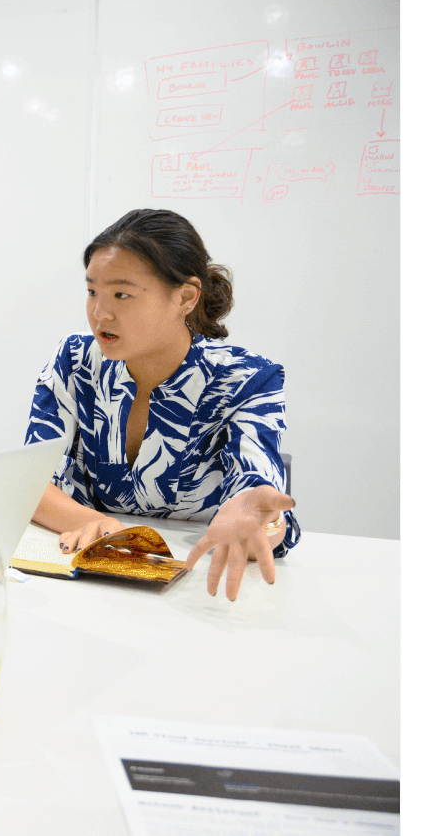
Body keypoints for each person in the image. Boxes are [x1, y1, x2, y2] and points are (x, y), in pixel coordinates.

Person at [25, 208, 298, 600]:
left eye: (122, 294)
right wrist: (99, 524)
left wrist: (258, 521)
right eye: (92, 292)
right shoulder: (75, 360)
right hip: (91, 585)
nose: (100, 313)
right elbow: (30, 482)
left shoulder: (247, 379)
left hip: (202, 590)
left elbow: (257, 500)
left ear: (185, 297)